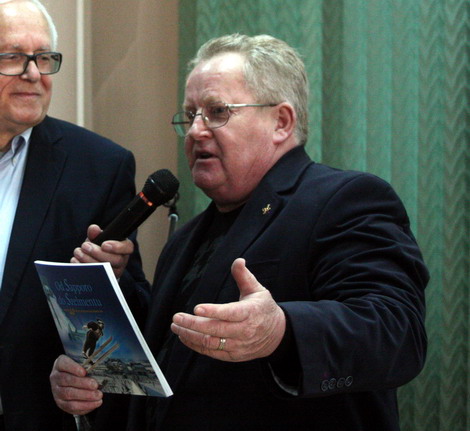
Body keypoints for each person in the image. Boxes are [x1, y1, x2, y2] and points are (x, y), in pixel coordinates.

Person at [51, 34, 429, 431]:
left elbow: (398, 333)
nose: (196, 131)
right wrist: (89, 389)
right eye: (190, 115)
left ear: (281, 122)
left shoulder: (344, 199)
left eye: (217, 112)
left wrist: (282, 330)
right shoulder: (184, 240)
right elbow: (168, 371)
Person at [0, 1, 148, 429]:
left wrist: (112, 278)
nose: (33, 73)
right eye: (13, 57)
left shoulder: (99, 167)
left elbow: (135, 315)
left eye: (44, 57)